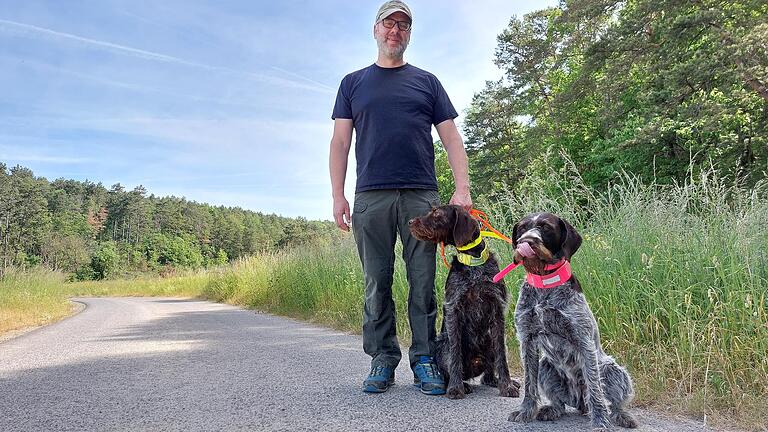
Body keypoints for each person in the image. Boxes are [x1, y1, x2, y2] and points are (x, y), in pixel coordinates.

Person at [329, 0, 472, 395]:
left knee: (423, 280)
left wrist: (462, 189)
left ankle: (425, 359)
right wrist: (338, 195)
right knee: (377, 280)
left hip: (420, 194)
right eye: (389, 23)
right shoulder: (352, 83)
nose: (396, 31)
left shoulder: (427, 82)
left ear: (409, 35)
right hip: (370, 195)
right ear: (375, 30)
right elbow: (340, 142)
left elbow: (451, 138)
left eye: (403, 26)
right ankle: (382, 358)